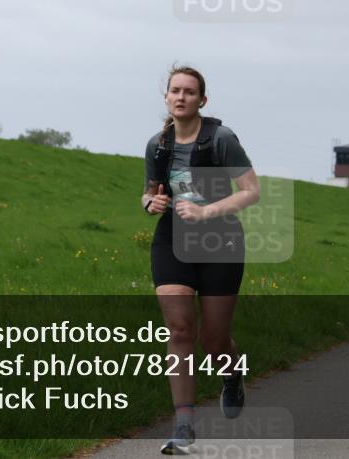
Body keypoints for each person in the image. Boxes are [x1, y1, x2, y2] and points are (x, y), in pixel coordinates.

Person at [142, 66, 260, 455]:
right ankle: (184, 425)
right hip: (172, 239)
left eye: (189, 92)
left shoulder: (221, 139)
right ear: (166, 98)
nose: (181, 97)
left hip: (220, 240)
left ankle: (232, 375)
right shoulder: (157, 145)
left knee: (213, 339)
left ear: (202, 100)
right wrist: (151, 203)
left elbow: (251, 191)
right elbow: (149, 193)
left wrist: (207, 213)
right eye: (174, 90)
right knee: (178, 329)